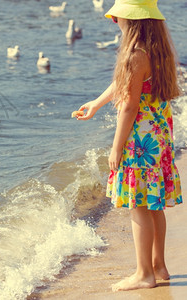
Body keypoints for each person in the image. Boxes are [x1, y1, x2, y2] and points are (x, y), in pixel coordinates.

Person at [75, 0, 183, 292]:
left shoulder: (134, 55)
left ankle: (143, 273)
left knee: (137, 205)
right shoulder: (158, 52)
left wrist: (115, 147)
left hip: (140, 141)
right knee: (153, 203)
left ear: (134, 20)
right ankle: (159, 265)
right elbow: (126, 85)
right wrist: (96, 104)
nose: (113, 20)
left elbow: (129, 106)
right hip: (159, 137)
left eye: (118, 15)